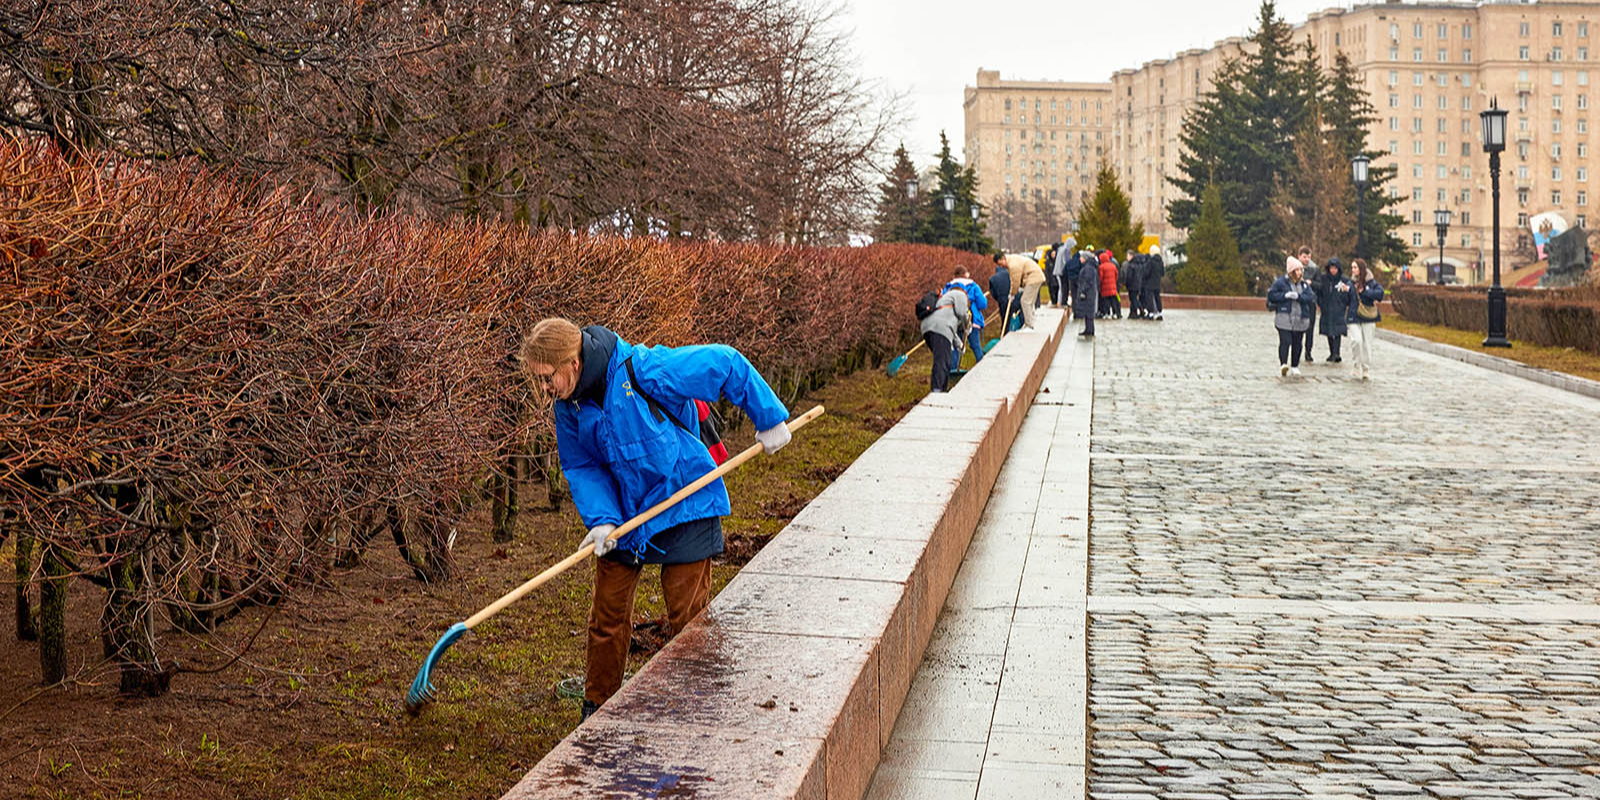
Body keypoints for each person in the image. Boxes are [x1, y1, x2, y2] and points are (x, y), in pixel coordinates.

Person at [519, 318, 793, 721]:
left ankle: (697, 707)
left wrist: (768, 417)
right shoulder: (569, 408)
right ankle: (597, 712)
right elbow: (581, 467)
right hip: (626, 517)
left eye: (547, 378)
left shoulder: (642, 369)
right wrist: (602, 520)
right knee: (607, 617)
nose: (545, 389)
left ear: (572, 362)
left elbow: (724, 363)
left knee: (687, 618)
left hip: (683, 501)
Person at [1268, 257, 1317, 377]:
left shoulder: (1304, 285)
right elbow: (1272, 295)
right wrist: (1285, 296)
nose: (1300, 272)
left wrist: (1299, 297)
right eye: (1297, 270)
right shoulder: (1281, 282)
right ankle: (1283, 363)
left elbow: (1310, 297)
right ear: (1291, 271)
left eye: (1301, 270)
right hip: (1284, 316)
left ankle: (1295, 365)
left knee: (1297, 342)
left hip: (1300, 317)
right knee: (1285, 341)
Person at [920, 283, 971, 392]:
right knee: (942, 361)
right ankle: (937, 391)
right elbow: (962, 313)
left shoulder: (944, 300)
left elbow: (950, 330)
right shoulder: (959, 294)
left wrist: (960, 345)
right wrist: (967, 326)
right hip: (939, 328)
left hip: (928, 328)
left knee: (944, 360)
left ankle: (941, 390)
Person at [1346, 258, 1385, 380]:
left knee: (1367, 344)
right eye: (1352, 267)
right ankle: (1356, 364)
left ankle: (1365, 368)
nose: (1353, 270)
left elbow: (1380, 295)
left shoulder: (1371, 282)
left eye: (1355, 267)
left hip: (1368, 316)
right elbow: (1346, 300)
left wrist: (1364, 291)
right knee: (1356, 341)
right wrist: (1344, 292)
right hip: (1353, 316)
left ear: (1361, 269)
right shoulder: (1350, 282)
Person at [944, 266, 989, 364]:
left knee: (955, 347)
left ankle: (953, 372)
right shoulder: (974, 286)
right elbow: (983, 304)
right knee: (975, 345)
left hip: (954, 321)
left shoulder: (948, 287)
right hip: (971, 321)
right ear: (966, 274)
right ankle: (981, 366)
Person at [1315, 258, 1351, 363]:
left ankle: (1337, 353)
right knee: (1329, 331)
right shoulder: (1324, 279)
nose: (1333, 270)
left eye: (1335, 268)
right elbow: (1319, 292)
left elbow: (1348, 293)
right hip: (1326, 308)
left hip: (1339, 309)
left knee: (1338, 331)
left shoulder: (1343, 280)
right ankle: (1332, 352)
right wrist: (1321, 303)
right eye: (1331, 268)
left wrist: (1343, 301)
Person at [998, 251, 1046, 329]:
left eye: (1000, 264)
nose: (1001, 266)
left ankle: (1029, 325)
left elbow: (1015, 281)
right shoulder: (1012, 259)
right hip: (1036, 276)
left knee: (1025, 301)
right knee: (1030, 301)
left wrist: (1012, 293)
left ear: (1003, 258)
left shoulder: (1012, 264)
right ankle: (1032, 321)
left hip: (1033, 277)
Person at [1294, 246, 1319, 362]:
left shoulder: (1314, 269)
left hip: (1310, 302)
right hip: (1297, 301)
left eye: (1309, 257)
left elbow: (1320, 285)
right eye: (1304, 257)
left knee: (1310, 328)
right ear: (1299, 256)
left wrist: (1312, 283)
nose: (1307, 259)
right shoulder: (1293, 268)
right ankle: (1296, 349)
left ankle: (1308, 352)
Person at [1074, 249, 1098, 338]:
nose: (1080, 259)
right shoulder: (1088, 266)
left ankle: (1090, 329)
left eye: (1081, 257)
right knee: (1087, 312)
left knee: (1089, 312)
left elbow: (1088, 281)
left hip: (1088, 293)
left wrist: (1083, 291)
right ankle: (1088, 329)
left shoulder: (1088, 267)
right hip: (1089, 292)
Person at [1140, 246, 1165, 321]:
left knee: (1149, 298)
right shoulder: (1160, 262)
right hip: (1157, 283)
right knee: (1157, 297)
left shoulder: (1150, 261)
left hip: (1149, 283)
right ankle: (1159, 312)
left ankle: (1151, 313)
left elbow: (1146, 272)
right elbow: (1163, 273)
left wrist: (1143, 276)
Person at [1052, 238, 1076, 309]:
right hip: (1062, 271)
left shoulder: (1061, 249)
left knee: (1061, 287)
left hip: (1058, 270)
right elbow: (1067, 261)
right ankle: (1063, 302)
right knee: (1063, 287)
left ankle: (1060, 302)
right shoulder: (1066, 250)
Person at [1122, 249, 1145, 319]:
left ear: (1131, 256)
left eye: (1128, 256)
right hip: (1138, 284)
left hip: (1132, 285)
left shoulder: (1131, 265)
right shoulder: (1139, 264)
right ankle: (1133, 312)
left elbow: (1129, 276)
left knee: (1133, 299)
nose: (1127, 257)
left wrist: (1126, 283)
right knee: (1134, 298)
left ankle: (1140, 309)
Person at [1097, 250, 1120, 319]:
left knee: (1106, 301)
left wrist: (1099, 284)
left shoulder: (1101, 267)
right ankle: (1115, 313)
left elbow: (1100, 277)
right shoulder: (1113, 266)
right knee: (1113, 300)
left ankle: (1107, 313)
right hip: (1113, 286)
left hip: (1105, 287)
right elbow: (1116, 275)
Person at [1043, 243, 1061, 309]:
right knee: (1052, 292)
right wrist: (1047, 279)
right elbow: (1047, 271)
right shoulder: (1048, 262)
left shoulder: (1057, 261)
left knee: (1056, 291)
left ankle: (1056, 302)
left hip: (1056, 279)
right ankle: (1053, 302)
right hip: (1051, 280)